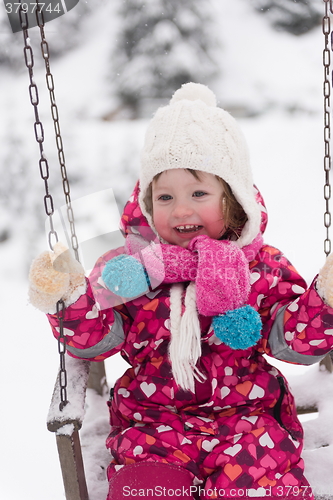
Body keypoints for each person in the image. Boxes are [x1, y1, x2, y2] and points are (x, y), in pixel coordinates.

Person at [29, 83, 333, 500]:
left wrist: (327, 298)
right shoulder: (127, 269)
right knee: (148, 488)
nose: (181, 209)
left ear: (233, 200)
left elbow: (295, 342)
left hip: (249, 423)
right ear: (147, 202)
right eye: (165, 195)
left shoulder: (259, 267)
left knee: (260, 485)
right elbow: (96, 340)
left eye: (199, 193)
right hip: (151, 423)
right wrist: (67, 297)